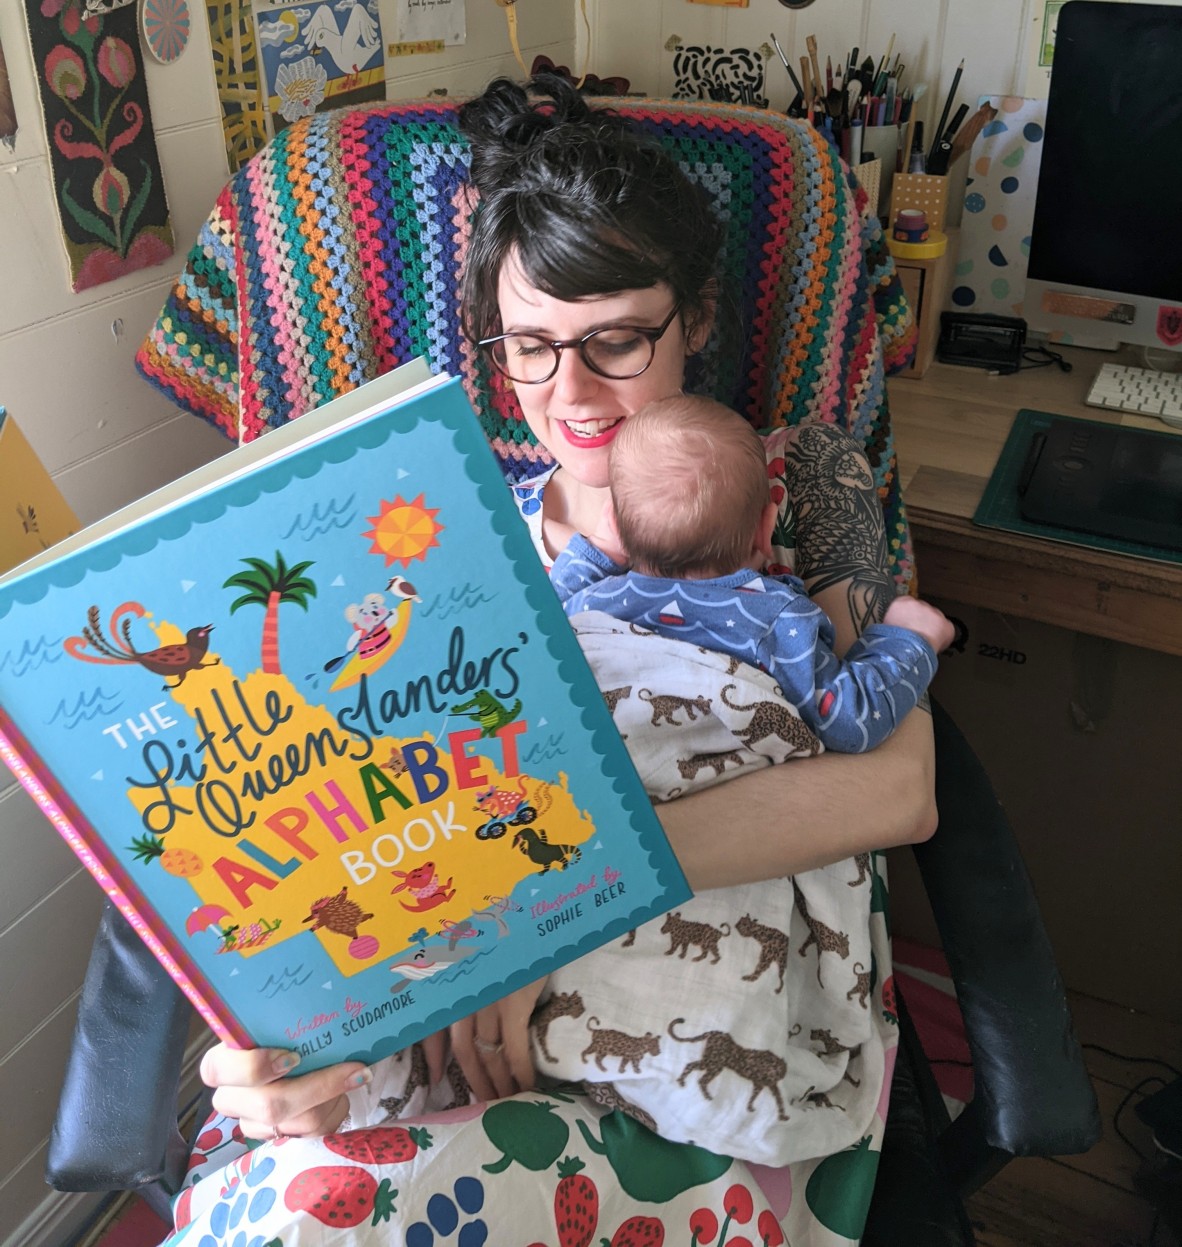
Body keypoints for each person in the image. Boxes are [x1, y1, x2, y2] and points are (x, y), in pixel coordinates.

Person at [180, 73, 939, 1246]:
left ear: (698, 320)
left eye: (615, 341)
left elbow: (900, 784)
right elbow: (378, 816)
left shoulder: (805, 482)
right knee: (289, 1189)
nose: (567, 395)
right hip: (453, 1035)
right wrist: (291, 1033)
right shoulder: (439, 538)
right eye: (528, 348)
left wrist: (553, 905)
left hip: (713, 1070)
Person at [552, 394, 954, 754]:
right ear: (767, 527)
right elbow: (848, 722)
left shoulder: (590, 602)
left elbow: (537, 619)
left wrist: (600, 551)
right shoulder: (774, 621)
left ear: (617, 525)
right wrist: (910, 639)